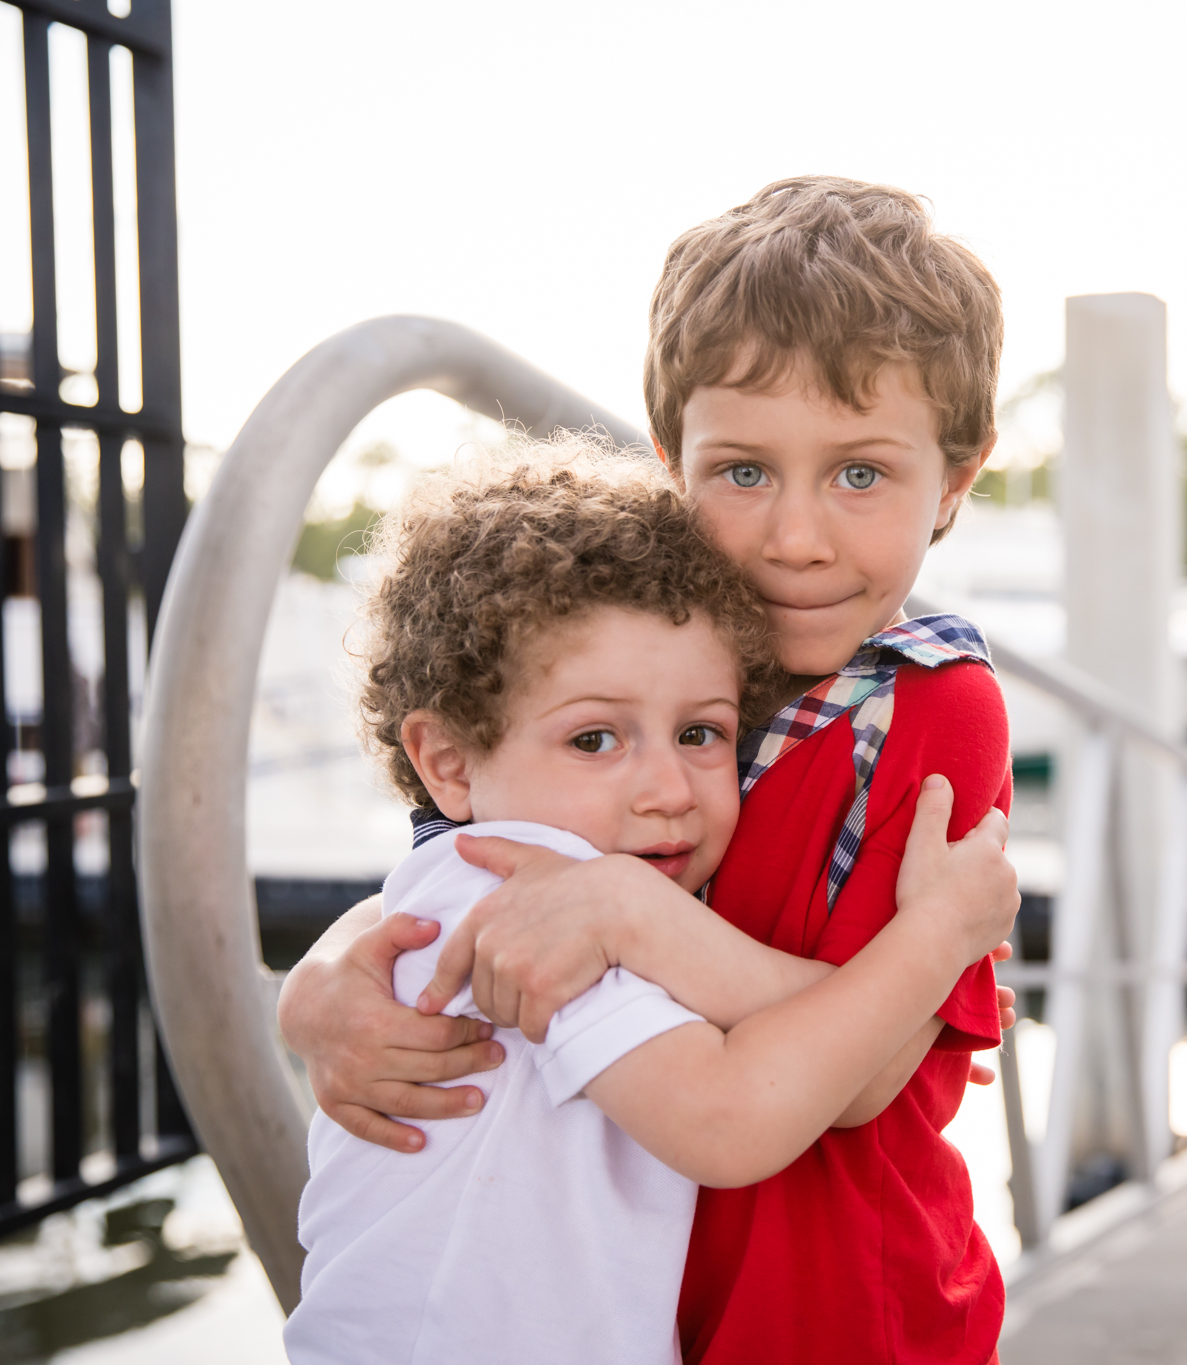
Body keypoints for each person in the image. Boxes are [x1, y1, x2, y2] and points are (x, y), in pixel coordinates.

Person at [278, 177, 1019, 1364]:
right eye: (741, 472)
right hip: (645, 1297)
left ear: (959, 480)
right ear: (672, 457)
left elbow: (870, 1075)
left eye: (861, 474)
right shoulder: (663, 658)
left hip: (833, 1302)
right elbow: (472, 856)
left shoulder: (931, 708)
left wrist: (626, 914)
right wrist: (323, 983)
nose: (794, 537)